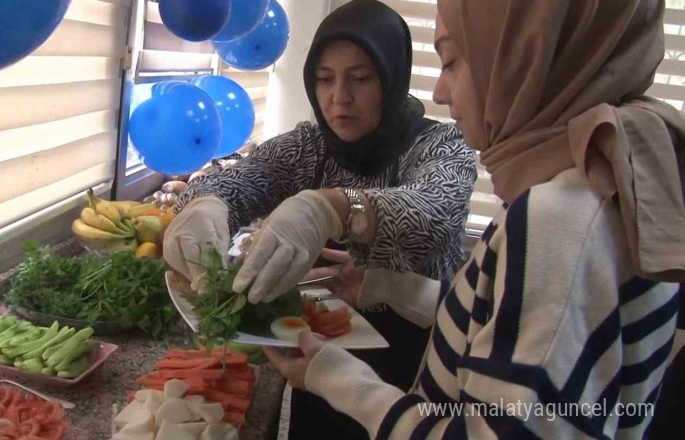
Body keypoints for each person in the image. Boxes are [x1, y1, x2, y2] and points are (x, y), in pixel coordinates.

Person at [264, 0, 685, 438]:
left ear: (525, 62)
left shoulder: (557, 220)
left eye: (451, 62)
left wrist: (339, 380)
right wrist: (382, 286)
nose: (441, 92)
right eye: (325, 79)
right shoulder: (615, 173)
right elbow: (511, 323)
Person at [164, 1, 476, 438]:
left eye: (361, 79)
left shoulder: (443, 144)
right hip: (315, 358)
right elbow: (243, 179)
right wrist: (203, 205)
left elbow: (431, 214)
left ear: (393, 77)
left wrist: (333, 208)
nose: (338, 97)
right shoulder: (311, 145)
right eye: (324, 79)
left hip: (417, 368)